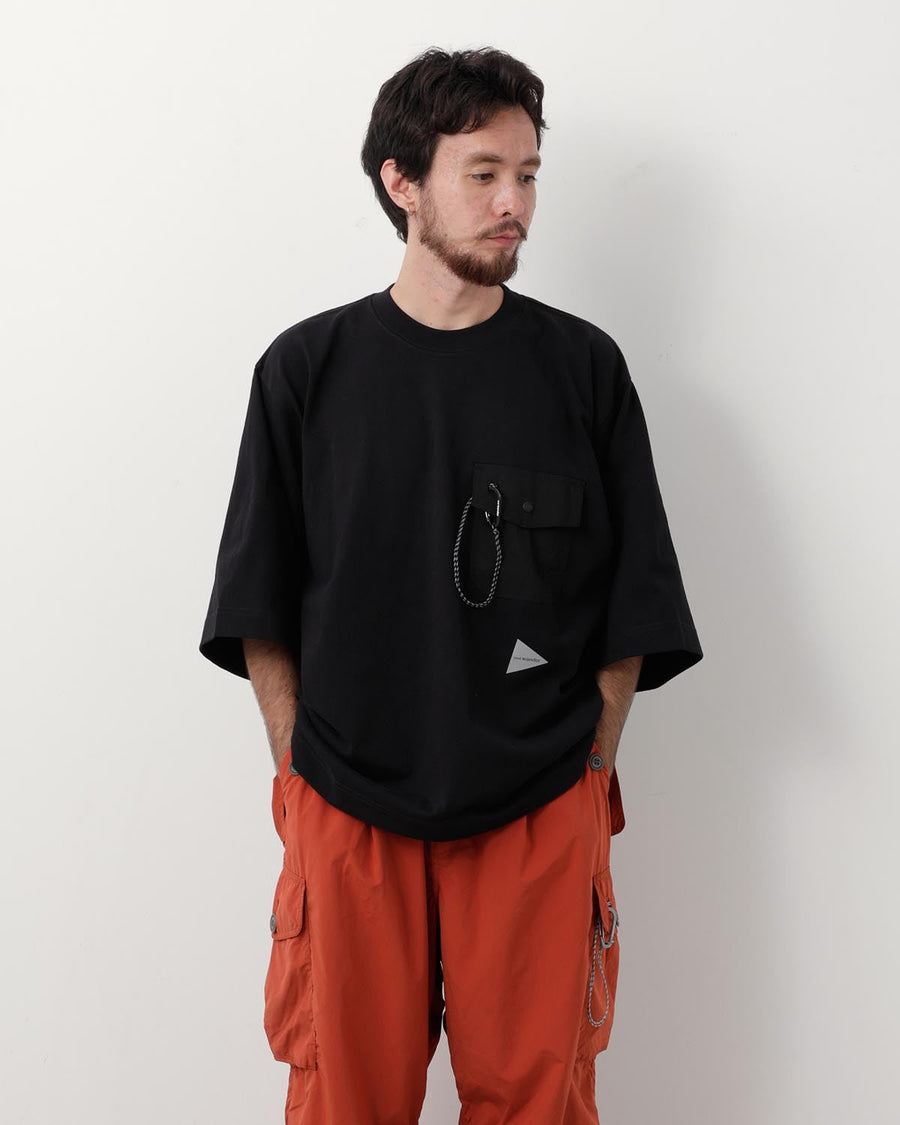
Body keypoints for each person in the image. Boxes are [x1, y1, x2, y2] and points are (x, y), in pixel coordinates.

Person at [199, 45, 703, 1125]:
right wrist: (297, 775)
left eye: (527, 175)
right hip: (347, 807)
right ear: (402, 182)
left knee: (539, 1104)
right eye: (483, 174)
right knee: (343, 1101)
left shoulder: (584, 371)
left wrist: (587, 772)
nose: (514, 203)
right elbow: (257, 606)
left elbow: (635, 608)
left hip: (537, 809)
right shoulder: (306, 372)